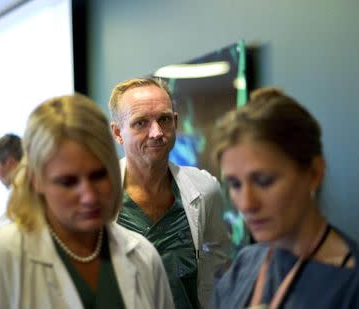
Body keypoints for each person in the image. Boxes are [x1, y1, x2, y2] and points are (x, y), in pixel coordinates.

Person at [0, 94, 174, 309]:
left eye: (98, 175)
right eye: (68, 182)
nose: (89, 196)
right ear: (35, 180)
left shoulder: (142, 256)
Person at [211, 87, 359, 308]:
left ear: (314, 173)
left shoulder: (350, 285)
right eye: (235, 184)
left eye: (264, 181)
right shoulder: (245, 264)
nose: (246, 204)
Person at [108, 77, 232, 309]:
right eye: (141, 123)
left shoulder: (204, 189)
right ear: (117, 132)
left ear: (175, 122)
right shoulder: (97, 194)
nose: (156, 132)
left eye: (164, 119)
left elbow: (219, 254)